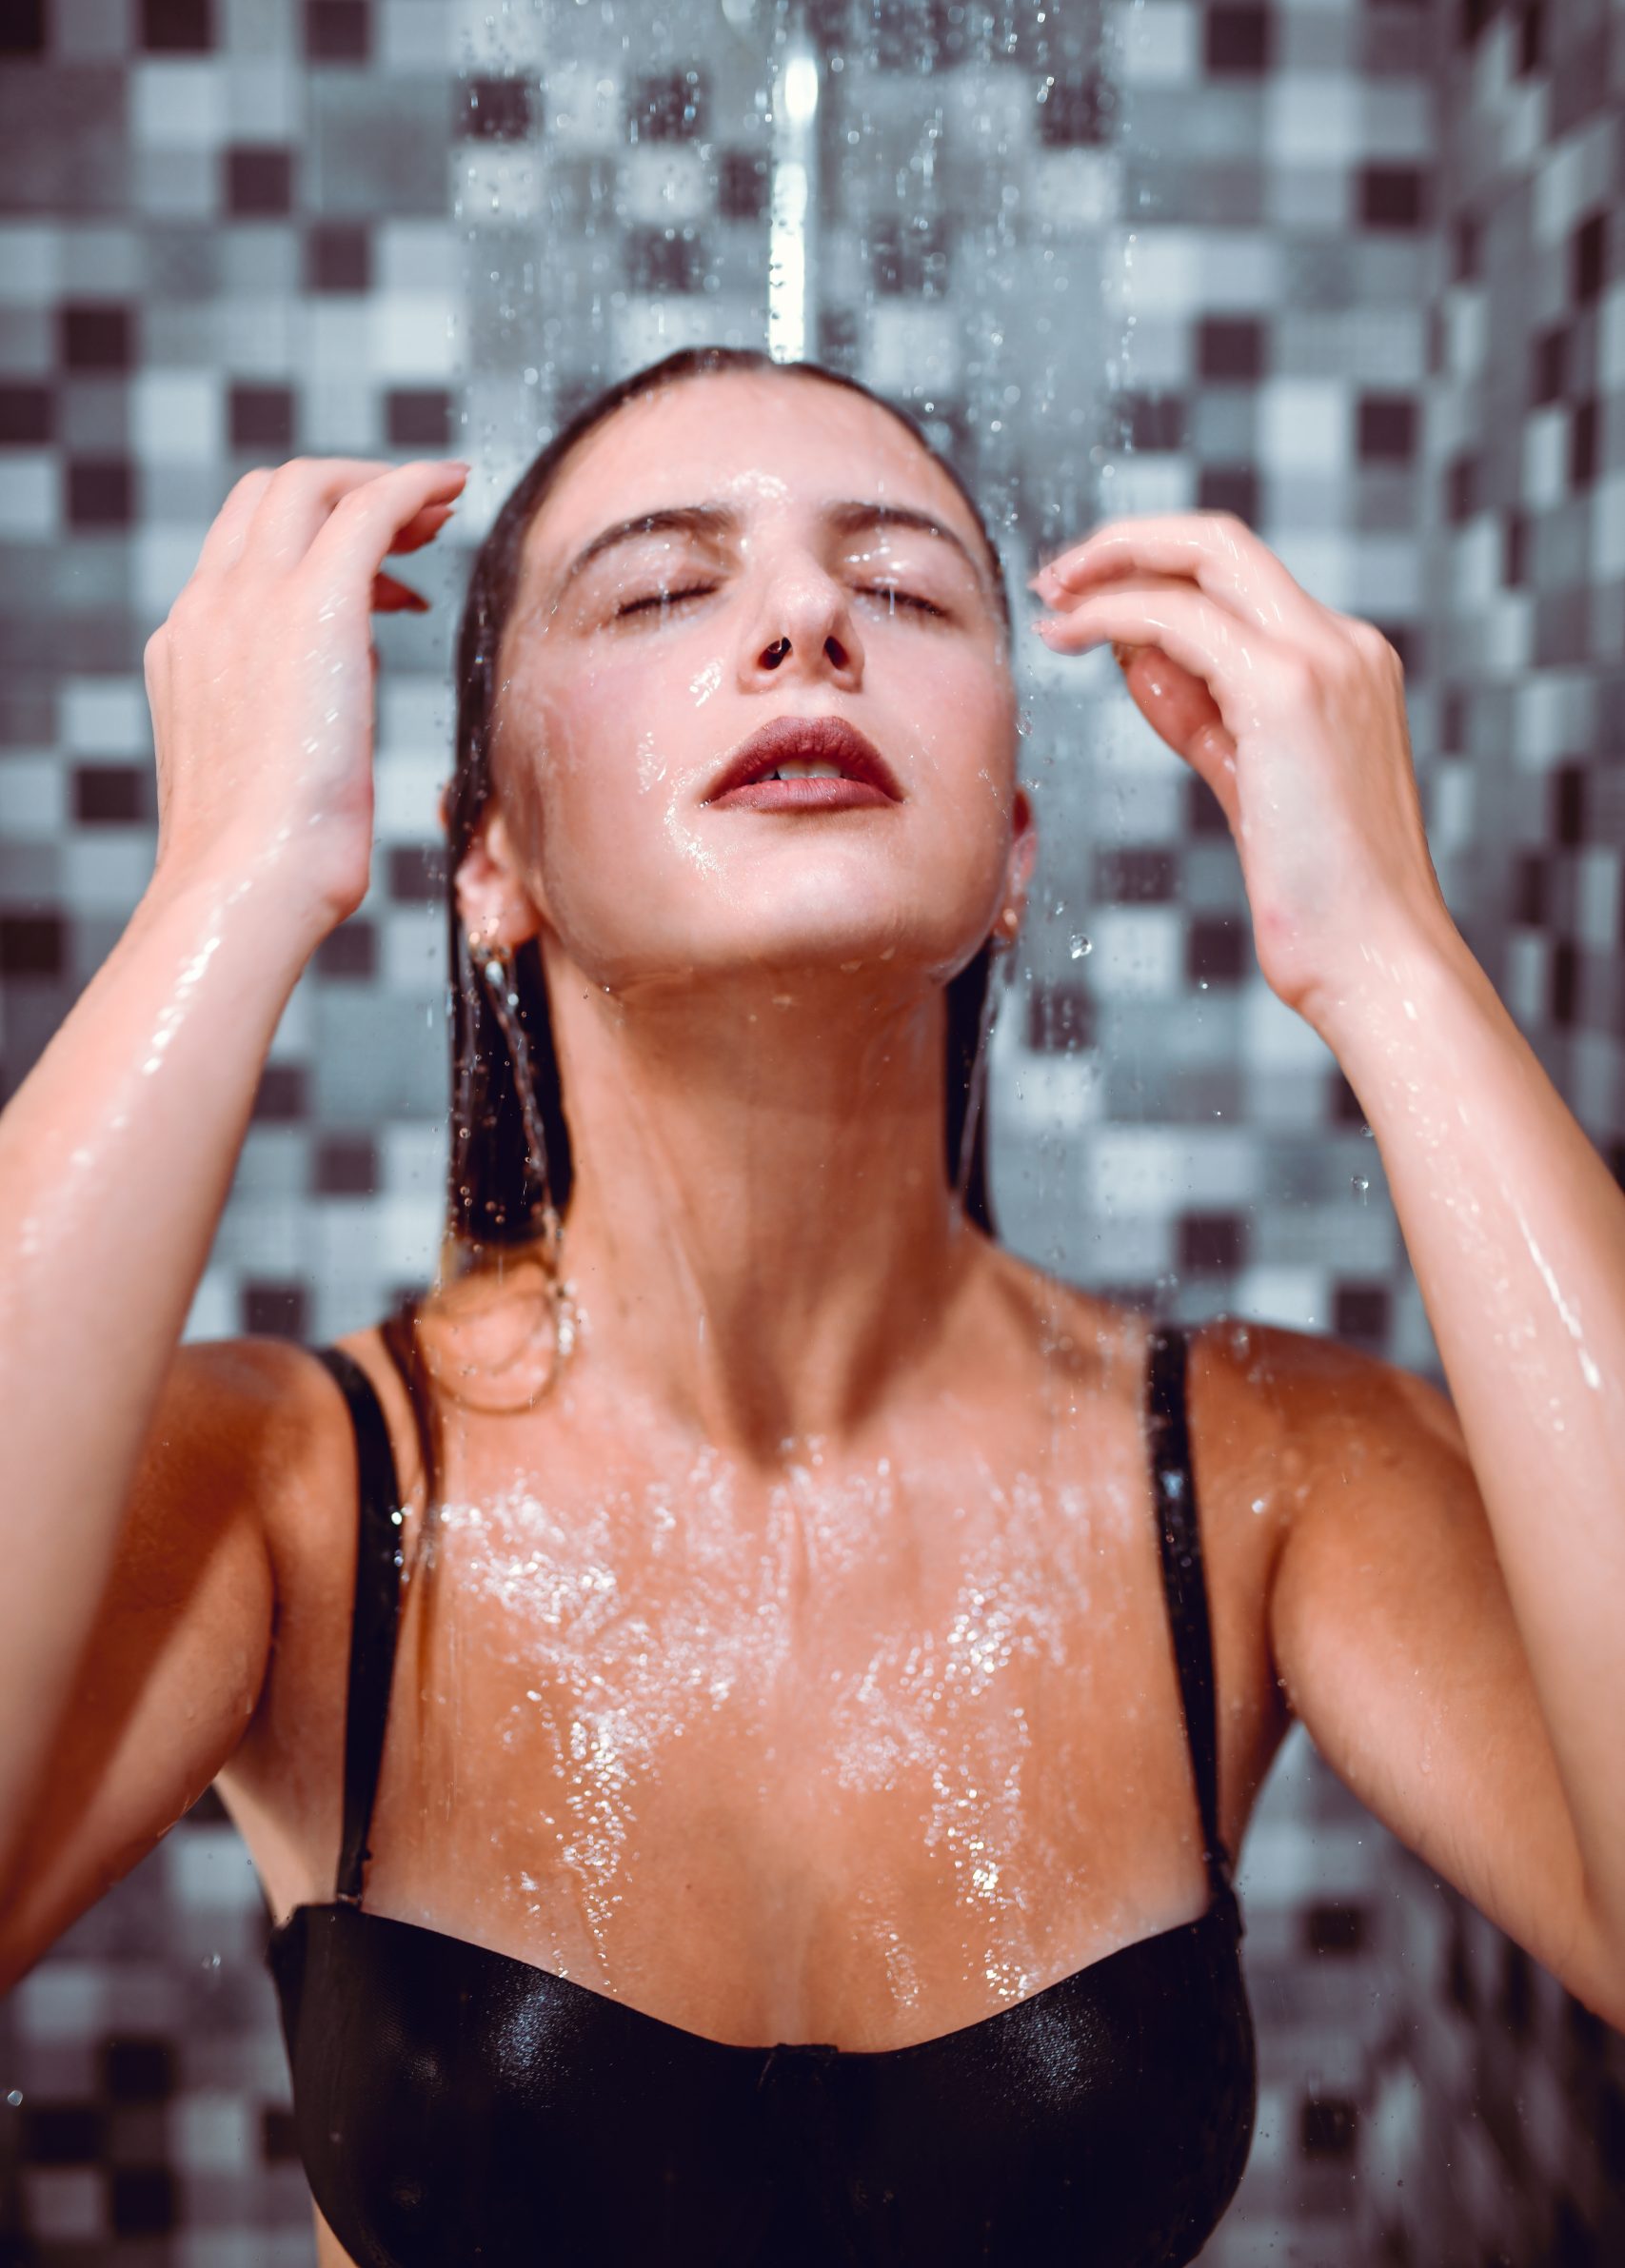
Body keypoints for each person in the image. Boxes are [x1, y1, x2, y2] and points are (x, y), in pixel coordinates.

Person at [0, 345, 1621, 2268]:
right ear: (491, 862)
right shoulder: (285, 1490)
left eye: (905, 587)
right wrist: (227, 890)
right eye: (668, 588)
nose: (801, 623)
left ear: (1013, 851)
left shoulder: (1273, 1469)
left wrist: (1387, 950)